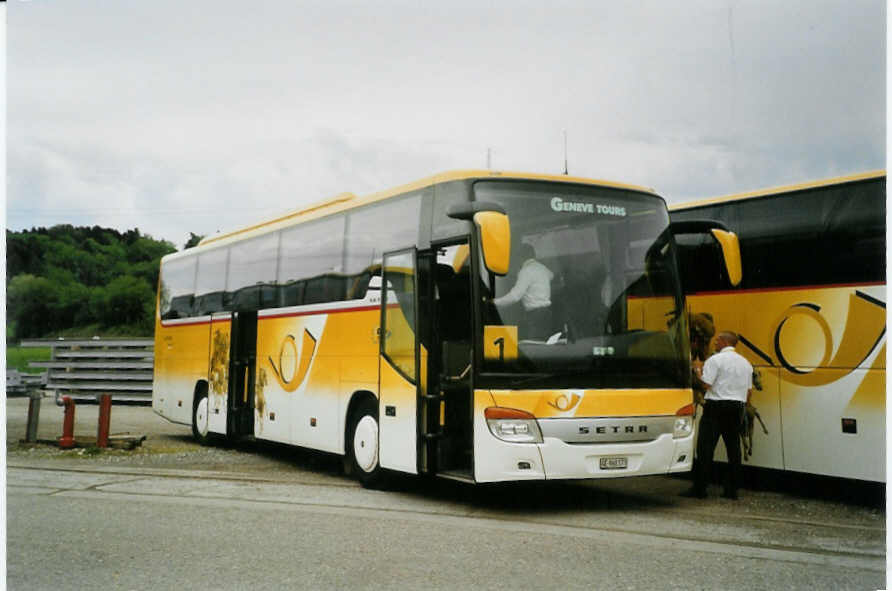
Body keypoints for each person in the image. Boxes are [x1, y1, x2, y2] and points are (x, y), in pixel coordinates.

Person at [682, 331, 753, 500]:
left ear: (723, 341)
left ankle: (700, 489)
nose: (714, 343)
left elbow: (706, 385)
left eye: (717, 341)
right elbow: (749, 392)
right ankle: (732, 490)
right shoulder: (746, 363)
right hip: (737, 407)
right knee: (733, 448)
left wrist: (697, 370)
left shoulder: (715, 360)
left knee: (705, 449)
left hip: (715, 407)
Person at [493, 243, 554, 339]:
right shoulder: (543, 268)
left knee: (534, 347)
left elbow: (515, 296)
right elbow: (551, 276)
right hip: (547, 314)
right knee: (545, 345)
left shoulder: (525, 271)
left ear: (521, 257)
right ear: (533, 255)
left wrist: (495, 302)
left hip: (535, 316)